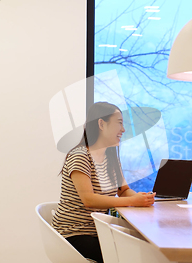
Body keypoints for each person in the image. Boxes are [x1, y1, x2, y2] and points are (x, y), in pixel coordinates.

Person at [52, 102, 155, 262]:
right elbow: (89, 200)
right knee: (135, 255)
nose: (123, 130)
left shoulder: (110, 156)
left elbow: (123, 190)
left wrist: (140, 200)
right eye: (119, 123)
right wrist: (133, 201)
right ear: (101, 123)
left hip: (98, 231)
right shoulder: (80, 155)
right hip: (74, 234)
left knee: (144, 250)